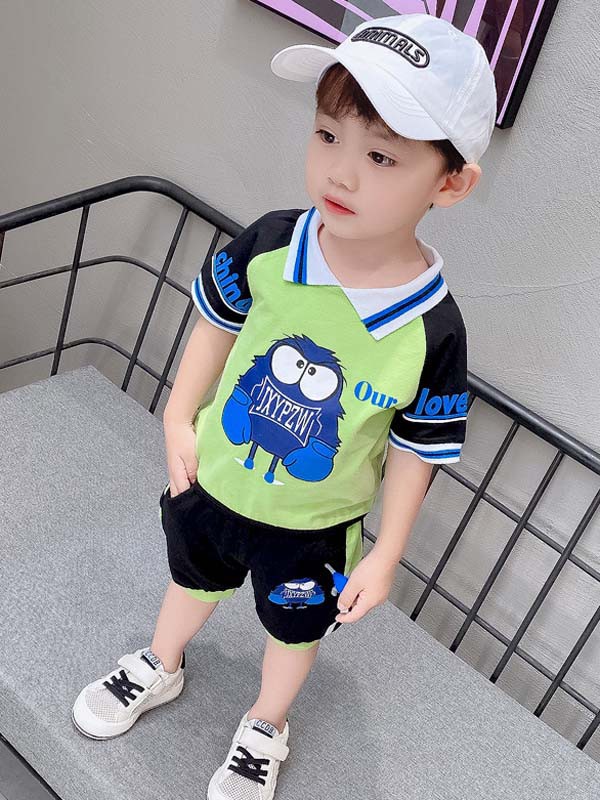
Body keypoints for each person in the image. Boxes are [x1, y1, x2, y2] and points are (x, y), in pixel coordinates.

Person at [72, 12, 497, 800]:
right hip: (213, 482)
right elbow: (217, 322)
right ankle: (161, 663)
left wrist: (386, 554)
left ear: (451, 183)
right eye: (327, 135)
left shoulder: (432, 329)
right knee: (189, 582)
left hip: (312, 528)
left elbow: (418, 448)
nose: (340, 173)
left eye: (380, 156)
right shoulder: (271, 243)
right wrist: (177, 416)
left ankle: (266, 723)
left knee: (294, 632)